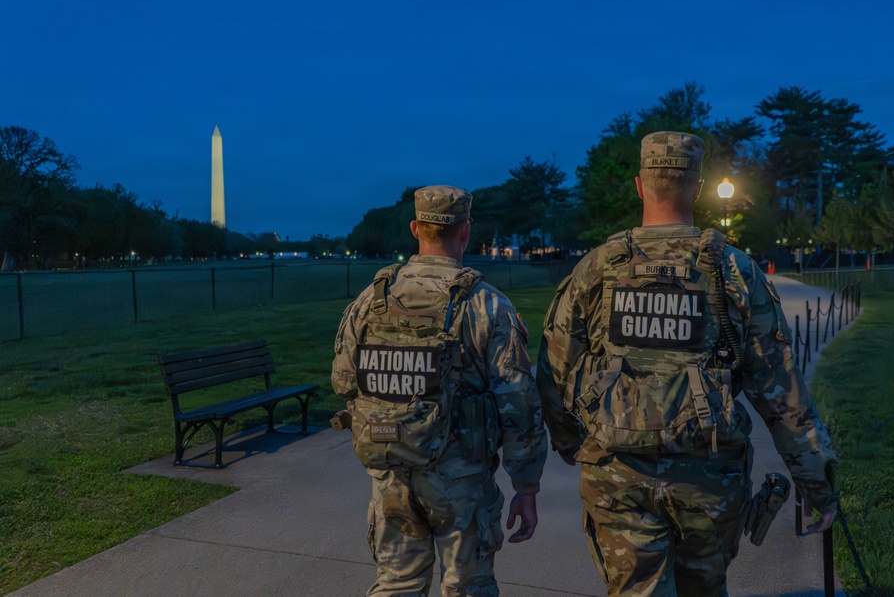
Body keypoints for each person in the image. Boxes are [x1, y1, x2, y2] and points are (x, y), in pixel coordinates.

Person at [537, 132, 838, 597]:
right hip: (710, 479)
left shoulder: (596, 268)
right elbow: (779, 388)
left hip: (618, 474)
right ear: (696, 188)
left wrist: (571, 445)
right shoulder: (734, 271)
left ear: (640, 186)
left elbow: (556, 371)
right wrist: (815, 481)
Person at [332, 185, 548, 597]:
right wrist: (526, 486)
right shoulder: (486, 305)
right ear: (466, 231)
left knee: (397, 584)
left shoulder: (370, 300)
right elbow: (518, 403)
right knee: (467, 587)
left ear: (416, 228)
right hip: (461, 481)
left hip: (391, 473)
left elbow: (343, 380)